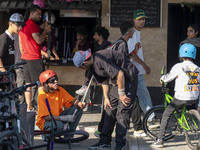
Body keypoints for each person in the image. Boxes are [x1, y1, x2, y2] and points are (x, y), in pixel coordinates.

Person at [73, 47, 138, 150]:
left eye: (80, 67)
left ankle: (120, 144)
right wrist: (106, 97)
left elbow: (120, 74)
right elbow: (104, 81)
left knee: (122, 112)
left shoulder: (100, 59)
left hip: (129, 78)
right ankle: (105, 141)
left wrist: (121, 94)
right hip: (117, 81)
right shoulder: (92, 67)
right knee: (109, 109)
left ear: (84, 64)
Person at [152, 43, 200, 148]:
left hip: (181, 97)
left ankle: (160, 140)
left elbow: (168, 78)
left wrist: (162, 78)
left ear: (181, 54)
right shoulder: (198, 68)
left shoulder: (178, 66)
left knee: (166, 114)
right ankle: (183, 117)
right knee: (183, 104)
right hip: (194, 97)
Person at [36, 70, 86, 141]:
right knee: (59, 125)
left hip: (58, 116)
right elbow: (46, 117)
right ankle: (47, 135)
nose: (56, 81)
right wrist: (65, 118)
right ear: (45, 84)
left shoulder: (60, 90)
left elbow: (71, 100)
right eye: (52, 80)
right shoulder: (42, 96)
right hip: (45, 121)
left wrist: (79, 103)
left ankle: (69, 135)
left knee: (78, 110)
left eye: (56, 79)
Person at [18, 5, 51, 111]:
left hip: (25, 58)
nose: (40, 16)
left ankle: (29, 107)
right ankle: (41, 107)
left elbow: (20, 45)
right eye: (38, 14)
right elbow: (39, 40)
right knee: (41, 83)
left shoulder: (23, 25)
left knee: (28, 84)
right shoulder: (32, 24)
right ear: (32, 14)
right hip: (34, 58)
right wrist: (45, 31)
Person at [127, 9, 154, 136]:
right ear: (134, 20)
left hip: (136, 71)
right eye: (139, 19)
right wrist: (145, 66)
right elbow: (132, 54)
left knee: (139, 98)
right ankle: (150, 119)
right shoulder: (133, 33)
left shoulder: (136, 33)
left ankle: (148, 119)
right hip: (135, 71)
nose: (142, 21)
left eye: (143, 19)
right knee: (142, 96)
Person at [73, 25, 93, 96]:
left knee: (89, 68)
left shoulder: (88, 44)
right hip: (81, 63)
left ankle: (85, 85)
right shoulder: (76, 44)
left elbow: (87, 56)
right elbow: (74, 56)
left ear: (86, 36)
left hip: (88, 63)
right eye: (77, 35)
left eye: (81, 36)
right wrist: (77, 47)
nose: (79, 37)